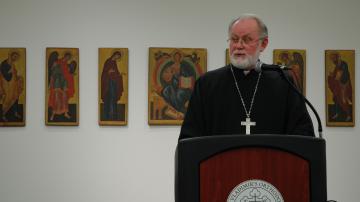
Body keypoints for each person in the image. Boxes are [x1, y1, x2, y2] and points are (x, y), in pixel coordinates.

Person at [179, 14, 314, 140]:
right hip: (220, 165)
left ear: (263, 44)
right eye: (234, 39)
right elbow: (190, 139)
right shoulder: (206, 84)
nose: (239, 46)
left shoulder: (283, 81)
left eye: (247, 39)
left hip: (271, 164)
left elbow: (302, 135)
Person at [48, 52, 75, 121]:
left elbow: (67, 73)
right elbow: (53, 71)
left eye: (69, 58)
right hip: (57, 83)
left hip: (64, 83)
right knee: (57, 98)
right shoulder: (57, 61)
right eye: (67, 57)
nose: (67, 59)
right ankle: (53, 114)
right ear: (65, 56)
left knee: (64, 98)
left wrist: (71, 73)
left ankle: (65, 113)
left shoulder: (66, 65)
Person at [327, 52, 352, 121]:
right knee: (336, 99)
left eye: (333, 59)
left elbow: (343, 75)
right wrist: (332, 75)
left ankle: (348, 115)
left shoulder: (344, 64)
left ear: (337, 58)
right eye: (332, 59)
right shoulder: (337, 66)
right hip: (337, 86)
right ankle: (337, 113)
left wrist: (336, 76)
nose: (333, 61)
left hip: (343, 86)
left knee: (343, 100)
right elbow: (336, 75)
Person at [0, 51, 24, 121]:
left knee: (15, 97)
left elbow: (14, 75)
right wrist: (9, 73)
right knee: (7, 98)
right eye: (14, 56)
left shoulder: (12, 64)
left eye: (16, 57)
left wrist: (17, 77)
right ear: (11, 56)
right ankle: (3, 115)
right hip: (6, 85)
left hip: (13, 84)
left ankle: (15, 112)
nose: (15, 58)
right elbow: (3, 74)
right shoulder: (4, 63)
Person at [101, 51, 124, 120]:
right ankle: (108, 115)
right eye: (117, 56)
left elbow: (115, 73)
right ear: (115, 55)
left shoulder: (114, 63)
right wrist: (108, 72)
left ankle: (113, 115)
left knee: (113, 98)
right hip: (108, 83)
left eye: (119, 57)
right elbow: (104, 72)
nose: (117, 58)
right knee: (109, 98)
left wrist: (120, 75)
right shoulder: (108, 61)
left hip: (113, 83)